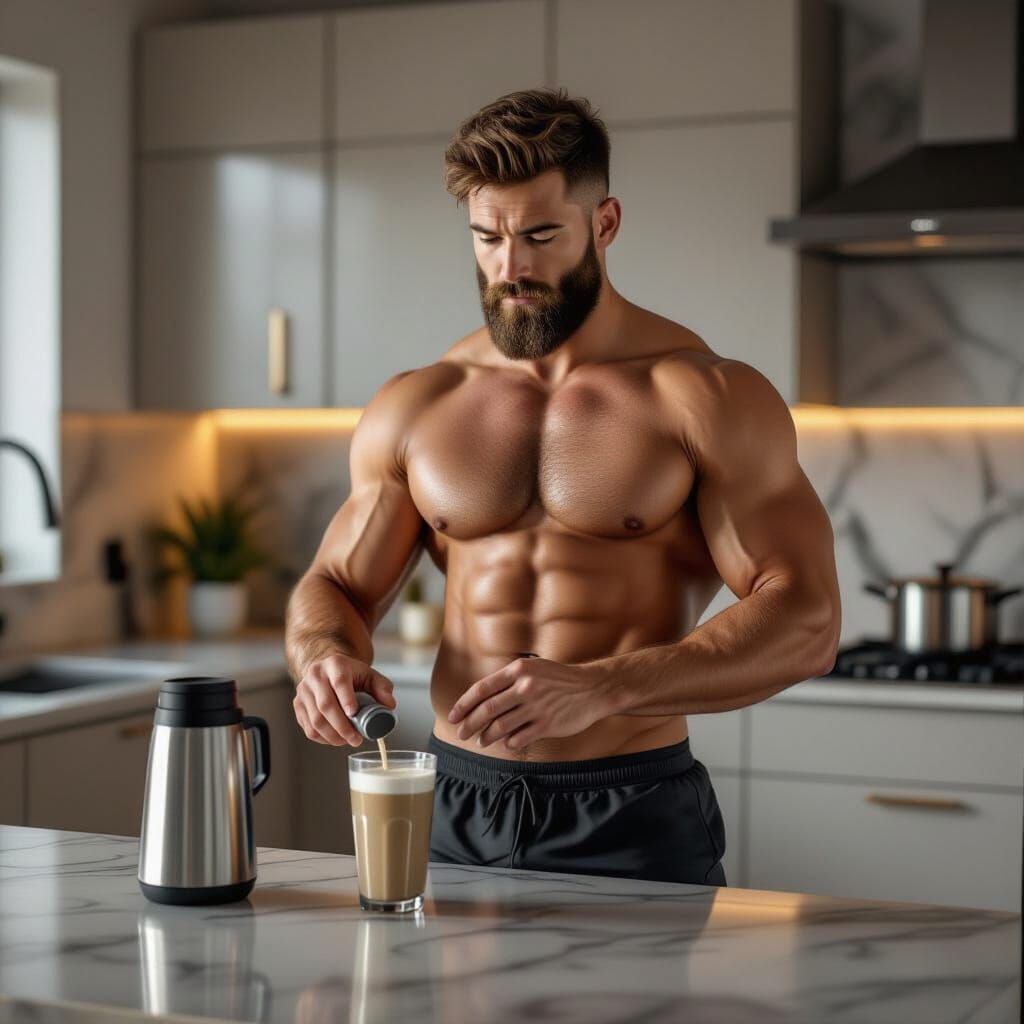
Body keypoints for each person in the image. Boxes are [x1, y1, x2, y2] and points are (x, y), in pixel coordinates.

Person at [285, 87, 841, 885]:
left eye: (540, 235)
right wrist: (325, 657)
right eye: (487, 238)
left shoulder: (701, 394)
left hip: (627, 801)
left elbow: (808, 620)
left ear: (604, 224)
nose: (511, 267)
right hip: (452, 797)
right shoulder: (419, 401)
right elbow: (335, 583)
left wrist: (602, 689)